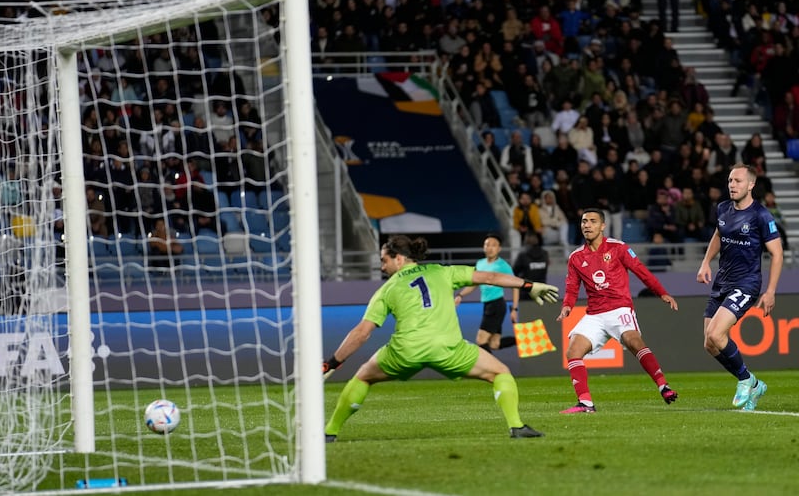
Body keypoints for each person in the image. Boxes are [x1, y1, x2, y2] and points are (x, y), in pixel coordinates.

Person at [322, 235, 559, 441]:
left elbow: (362, 332)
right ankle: (516, 426)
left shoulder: (386, 289)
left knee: (363, 378)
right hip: (449, 349)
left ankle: (330, 432)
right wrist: (529, 285)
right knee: (500, 372)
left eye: (384, 260)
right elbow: (491, 278)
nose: (382, 267)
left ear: (399, 258)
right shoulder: (442, 271)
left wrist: (333, 362)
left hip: (405, 351)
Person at [556, 209, 680, 413]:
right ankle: (586, 403)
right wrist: (567, 306)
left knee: (633, 340)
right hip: (594, 314)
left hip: (619, 308)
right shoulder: (576, 257)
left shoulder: (618, 248)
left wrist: (662, 293)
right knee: (573, 351)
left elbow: (642, 271)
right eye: (584, 221)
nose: (587, 225)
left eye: (592, 221)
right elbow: (571, 287)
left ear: (602, 226)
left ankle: (663, 386)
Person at [696, 164, 783, 411]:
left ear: (751, 185)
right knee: (709, 344)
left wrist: (770, 291)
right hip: (721, 282)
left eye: (738, 181)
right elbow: (718, 235)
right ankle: (753, 385)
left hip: (746, 284)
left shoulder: (761, 216)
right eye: (730, 181)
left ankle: (747, 380)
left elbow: (777, 254)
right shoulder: (723, 208)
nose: (732, 185)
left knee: (715, 334)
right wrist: (705, 262)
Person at [455, 234, 520, 353]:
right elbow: (474, 284)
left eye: (493, 245)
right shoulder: (480, 264)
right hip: (487, 305)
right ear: (483, 247)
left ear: (499, 249)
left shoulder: (503, 266)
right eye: (487, 245)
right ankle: (521, 340)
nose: (490, 248)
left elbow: (516, 286)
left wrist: (515, 309)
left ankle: (494, 370)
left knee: (481, 340)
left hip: (496, 305)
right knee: (495, 344)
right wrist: (460, 295)